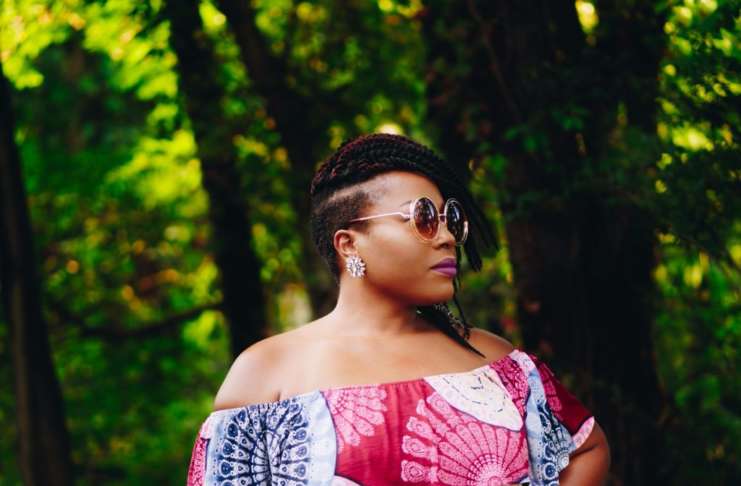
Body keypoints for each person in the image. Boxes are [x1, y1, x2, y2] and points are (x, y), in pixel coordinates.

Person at [186, 133, 610, 485]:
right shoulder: (267, 373)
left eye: (449, 218)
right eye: (423, 218)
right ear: (349, 244)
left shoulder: (494, 361)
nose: (447, 237)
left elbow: (586, 447)